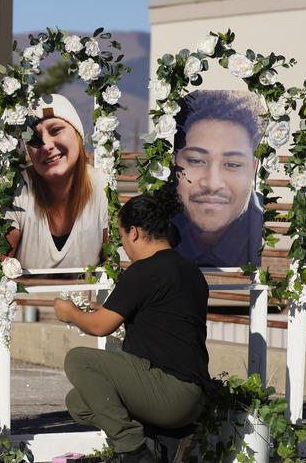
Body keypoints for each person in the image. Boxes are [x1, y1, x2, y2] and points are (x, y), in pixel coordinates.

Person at [54, 182, 211, 462]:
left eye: (122, 236)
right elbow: (165, 325)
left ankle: (134, 451)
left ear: (134, 232)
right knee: (78, 402)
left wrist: (69, 313)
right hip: (194, 397)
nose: (123, 244)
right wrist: (115, 312)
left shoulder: (143, 271)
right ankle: (164, 441)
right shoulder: (189, 271)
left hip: (169, 392)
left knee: (78, 360)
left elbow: (99, 327)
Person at [4, 94, 108, 269]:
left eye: (55, 130)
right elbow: (2, 270)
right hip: (27, 297)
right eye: (34, 140)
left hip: (88, 297)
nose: (46, 145)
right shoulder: (17, 188)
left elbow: (113, 264)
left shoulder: (101, 184)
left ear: (78, 134)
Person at [173, 90, 265, 267]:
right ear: (174, 162)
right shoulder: (160, 227)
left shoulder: (267, 233)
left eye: (232, 164)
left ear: (253, 170)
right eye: (196, 161)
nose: (212, 184)